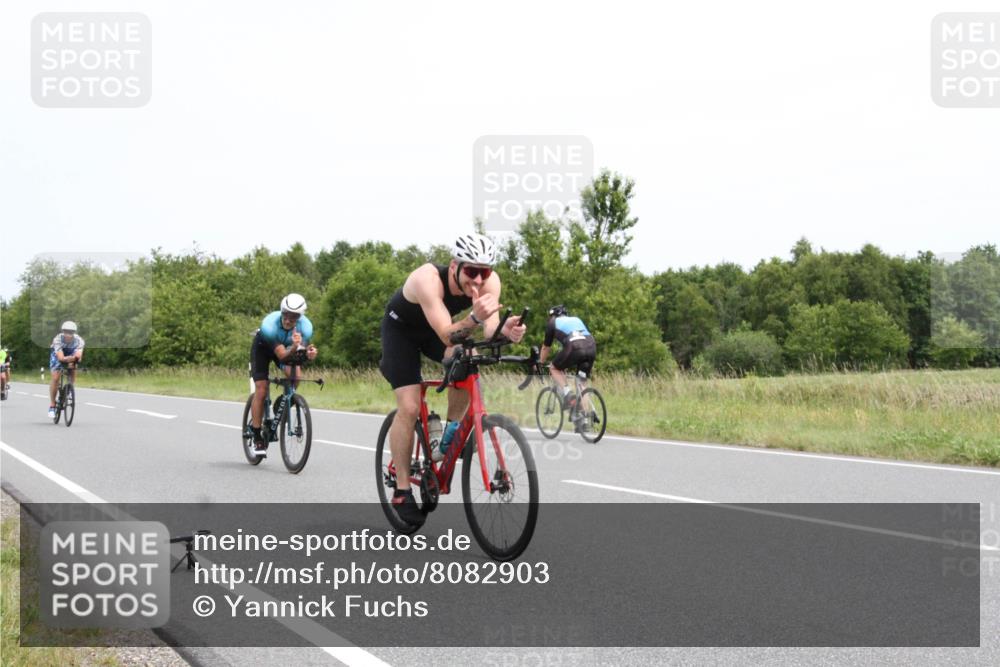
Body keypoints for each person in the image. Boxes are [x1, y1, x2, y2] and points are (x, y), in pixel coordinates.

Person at [380, 233, 526, 526]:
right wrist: (473, 317)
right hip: (402, 333)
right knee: (409, 407)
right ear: (454, 266)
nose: (477, 280)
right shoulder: (427, 279)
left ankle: (449, 434)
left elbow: (488, 329)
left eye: (483, 272)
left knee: (468, 360)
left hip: (441, 331)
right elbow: (448, 333)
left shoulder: (489, 282)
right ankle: (402, 489)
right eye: (471, 272)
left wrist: (504, 331)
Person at [248, 293, 317, 455]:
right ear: (281, 311)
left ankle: (282, 403)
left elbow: (299, 355)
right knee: (262, 389)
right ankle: (257, 436)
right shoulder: (269, 325)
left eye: (293, 318)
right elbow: (282, 356)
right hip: (263, 349)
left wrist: (309, 354)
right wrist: (294, 347)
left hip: (286, 349)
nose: (287, 320)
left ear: (299, 317)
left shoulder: (306, 327)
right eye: (285, 315)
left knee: (296, 378)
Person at [539, 305, 597, 410]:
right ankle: (585, 417)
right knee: (581, 382)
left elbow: (546, 348)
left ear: (553, 315)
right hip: (591, 346)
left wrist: (540, 363)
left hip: (574, 346)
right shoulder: (576, 319)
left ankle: (568, 394)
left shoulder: (553, 322)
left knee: (553, 368)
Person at [49, 322, 84, 418]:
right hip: (57, 354)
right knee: (56, 377)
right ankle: (52, 405)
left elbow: (78, 357)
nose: (68, 334)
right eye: (66, 332)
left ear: (74, 333)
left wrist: (73, 360)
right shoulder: (57, 339)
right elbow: (60, 358)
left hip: (70, 352)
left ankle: (68, 390)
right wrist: (68, 359)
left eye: (71, 332)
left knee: (73, 369)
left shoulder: (79, 341)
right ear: (63, 332)